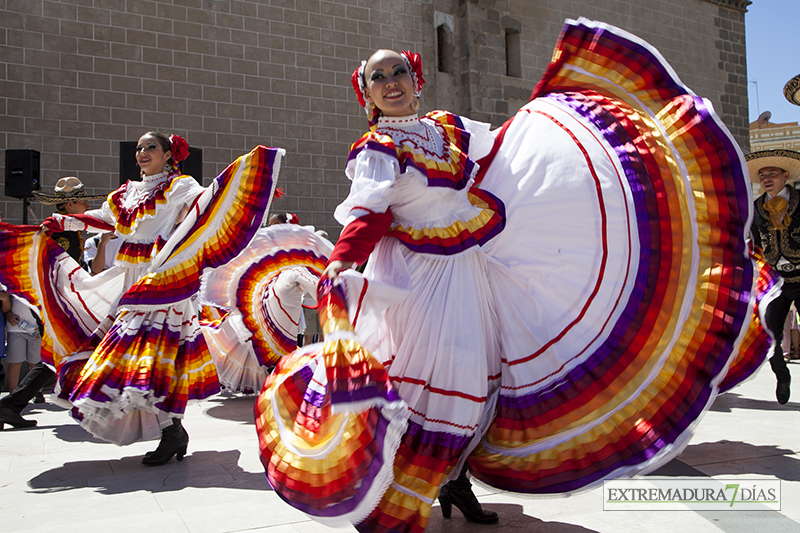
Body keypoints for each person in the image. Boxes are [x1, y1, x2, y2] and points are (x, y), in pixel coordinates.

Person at [255, 19, 758, 533]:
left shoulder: (446, 128)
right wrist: (342, 258)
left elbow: (500, 149)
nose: (391, 82)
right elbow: (370, 213)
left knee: (474, 377)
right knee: (430, 381)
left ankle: (455, 483)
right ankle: (397, 495)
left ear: (415, 78)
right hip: (415, 278)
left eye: (399, 70)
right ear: (368, 95)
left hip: (468, 270)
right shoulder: (378, 148)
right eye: (378, 77)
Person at [0, 132, 284, 465]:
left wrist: (247, 183)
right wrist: (65, 220)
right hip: (128, 282)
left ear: (168, 155)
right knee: (136, 358)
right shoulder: (126, 193)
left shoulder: (180, 187)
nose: (143, 152)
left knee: (154, 357)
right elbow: (105, 220)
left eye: (151, 147)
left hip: (162, 281)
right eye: (139, 148)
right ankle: (172, 431)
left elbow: (208, 206)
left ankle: (171, 431)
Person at [0, 177, 104, 429]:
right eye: (81, 202)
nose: (84, 207)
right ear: (69, 205)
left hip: (66, 303)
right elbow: (57, 272)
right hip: (65, 304)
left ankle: (11, 405)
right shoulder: (62, 233)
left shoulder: (63, 229)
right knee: (74, 350)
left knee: (66, 353)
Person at [200, 223, 332, 393]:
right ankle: (280, 385)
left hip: (280, 317)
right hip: (280, 319)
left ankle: (276, 382)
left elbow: (316, 290)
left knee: (260, 352)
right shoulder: (296, 271)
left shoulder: (286, 269)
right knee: (267, 352)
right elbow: (318, 291)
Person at [748, 148, 800, 404]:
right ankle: (782, 375)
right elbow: (755, 243)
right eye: (763, 175)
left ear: (785, 176)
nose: (767, 179)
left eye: (772, 174)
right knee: (768, 335)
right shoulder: (757, 208)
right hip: (776, 282)